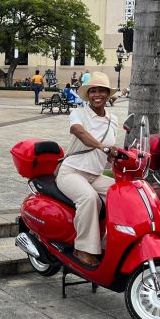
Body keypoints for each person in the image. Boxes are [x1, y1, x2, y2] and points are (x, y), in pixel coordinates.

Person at [55, 71, 118, 267]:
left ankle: (110, 244)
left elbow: (109, 152)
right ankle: (82, 249)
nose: (97, 94)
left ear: (108, 95)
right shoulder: (78, 113)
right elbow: (79, 132)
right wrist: (102, 146)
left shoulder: (113, 119)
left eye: (102, 91)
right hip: (71, 172)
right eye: (93, 91)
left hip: (95, 174)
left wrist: (116, 155)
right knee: (89, 198)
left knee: (122, 194)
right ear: (88, 95)